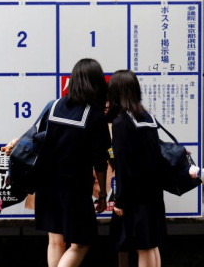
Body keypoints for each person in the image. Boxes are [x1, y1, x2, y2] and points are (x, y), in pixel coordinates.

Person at [33, 58, 110, 267]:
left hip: (46, 185)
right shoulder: (94, 115)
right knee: (81, 242)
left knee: (56, 242)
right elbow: (100, 161)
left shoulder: (55, 105)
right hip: (73, 188)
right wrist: (102, 193)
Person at [108, 70, 167, 267]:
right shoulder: (147, 117)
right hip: (154, 193)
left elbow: (124, 165)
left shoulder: (122, 122)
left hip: (136, 197)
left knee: (144, 246)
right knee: (152, 245)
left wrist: (120, 200)